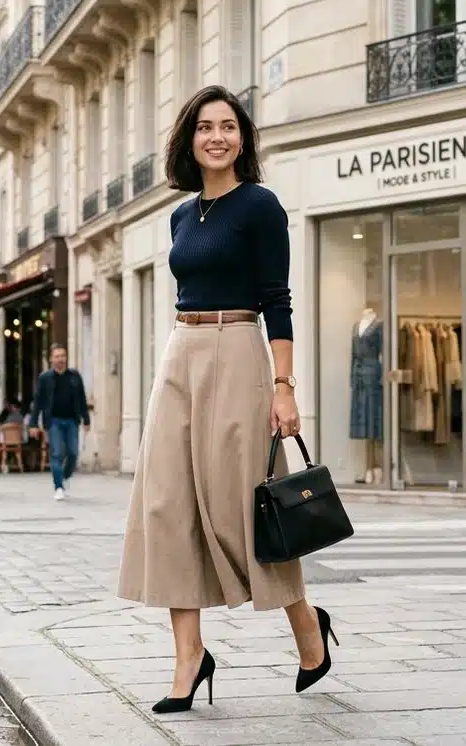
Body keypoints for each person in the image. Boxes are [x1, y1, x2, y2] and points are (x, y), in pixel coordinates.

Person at [115, 86, 332, 715]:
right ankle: (189, 658)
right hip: (181, 352)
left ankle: (307, 629)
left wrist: (284, 387)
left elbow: (278, 300)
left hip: (240, 349)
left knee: (245, 508)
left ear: (243, 138)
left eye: (229, 127)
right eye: (205, 127)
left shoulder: (261, 206)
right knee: (167, 504)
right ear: (189, 139)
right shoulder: (182, 217)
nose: (217, 137)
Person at [30, 345, 89, 501]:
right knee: (56, 454)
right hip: (54, 421)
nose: (60, 359)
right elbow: (38, 402)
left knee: (73, 453)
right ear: (51, 359)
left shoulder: (75, 376)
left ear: (66, 358)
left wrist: (86, 419)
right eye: (56, 356)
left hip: (72, 421)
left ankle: (64, 476)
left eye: (62, 356)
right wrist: (33, 424)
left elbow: (82, 399)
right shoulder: (45, 378)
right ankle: (58, 487)